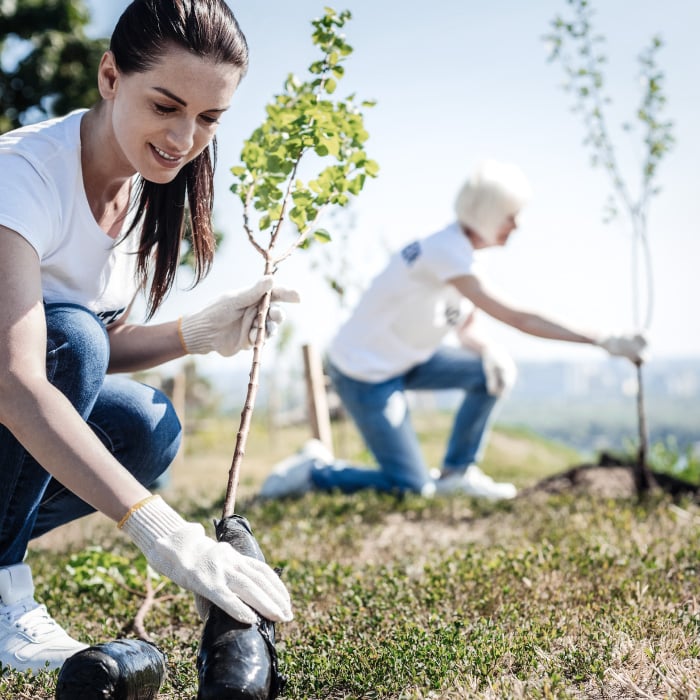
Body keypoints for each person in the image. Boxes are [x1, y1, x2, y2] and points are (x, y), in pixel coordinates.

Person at [0, 0, 299, 675]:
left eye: (209, 119)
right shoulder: (22, 176)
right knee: (72, 343)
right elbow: (21, 378)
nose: (185, 136)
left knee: (147, 424)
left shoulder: (138, 191)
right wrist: (164, 535)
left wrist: (197, 332)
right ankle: (3, 593)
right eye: (166, 106)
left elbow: (107, 340)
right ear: (111, 76)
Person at [259, 159, 647, 501]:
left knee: (487, 373)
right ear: (488, 214)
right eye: (510, 215)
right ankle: (314, 471)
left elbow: (467, 329)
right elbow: (519, 318)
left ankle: (458, 473)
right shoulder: (446, 251)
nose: (518, 224)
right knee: (410, 486)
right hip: (365, 373)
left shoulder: (462, 256)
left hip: (409, 359)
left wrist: (488, 351)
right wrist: (602, 339)